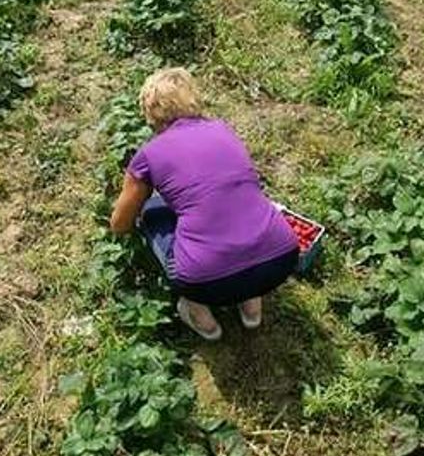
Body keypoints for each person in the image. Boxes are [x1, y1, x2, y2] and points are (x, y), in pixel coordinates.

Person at [109, 68, 299, 340]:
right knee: (235, 207)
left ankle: (201, 317)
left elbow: (120, 224)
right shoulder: (223, 130)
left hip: (205, 282)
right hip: (282, 259)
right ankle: (251, 306)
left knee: (150, 211)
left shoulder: (148, 155)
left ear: (150, 112)